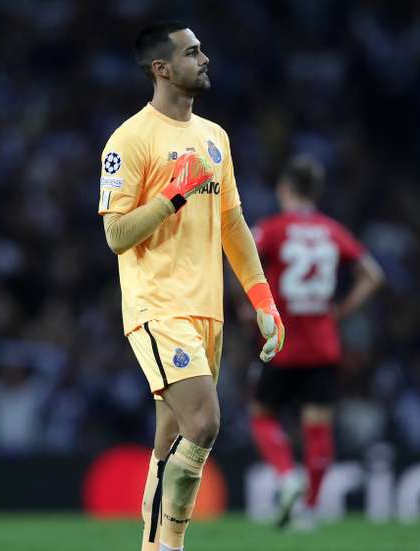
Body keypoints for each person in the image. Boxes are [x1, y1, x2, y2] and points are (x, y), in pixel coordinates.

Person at [98, 21, 285, 551]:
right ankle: (172, 545)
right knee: (203, 423)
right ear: (161, 68)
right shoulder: (129, 140)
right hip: (157, 307)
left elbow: (233, 226)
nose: (205, 59)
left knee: (171, 441)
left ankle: (154, 546)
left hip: (208, 311)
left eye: (202, 49)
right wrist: (173, 198)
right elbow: (115, 234)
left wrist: (262, 297)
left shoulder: (214, 137)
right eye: (192, 52)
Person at [249, 155, 384, 529]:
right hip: (324, 343)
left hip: (283, 341)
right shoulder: (333, 230)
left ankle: (286, 475)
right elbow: (373, 275)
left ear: (284, 190)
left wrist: (249, 306)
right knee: (318, 426)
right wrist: (340, 310)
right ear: (317, 192)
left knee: (263, 415)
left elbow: (242, 258)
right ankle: (308, 510)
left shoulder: (272, 229)